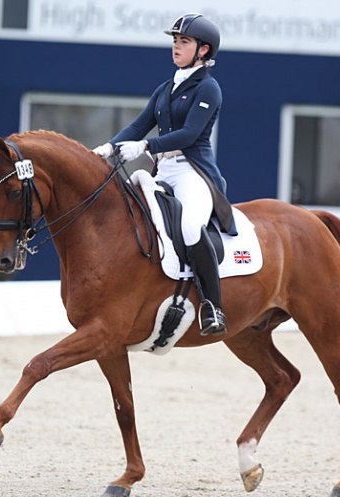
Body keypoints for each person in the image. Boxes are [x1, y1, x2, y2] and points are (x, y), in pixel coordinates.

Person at [92, 13, 232, 336]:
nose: (176, 47)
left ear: (203, 50)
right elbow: (139, 125)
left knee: (189, 227)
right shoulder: (166, 88)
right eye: (174, 41)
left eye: (184, 42)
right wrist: (108, 148)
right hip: (162, 170)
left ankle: (213, 306)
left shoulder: (209, 89)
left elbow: (188, 134)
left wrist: (144, 148)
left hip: (191, 172)